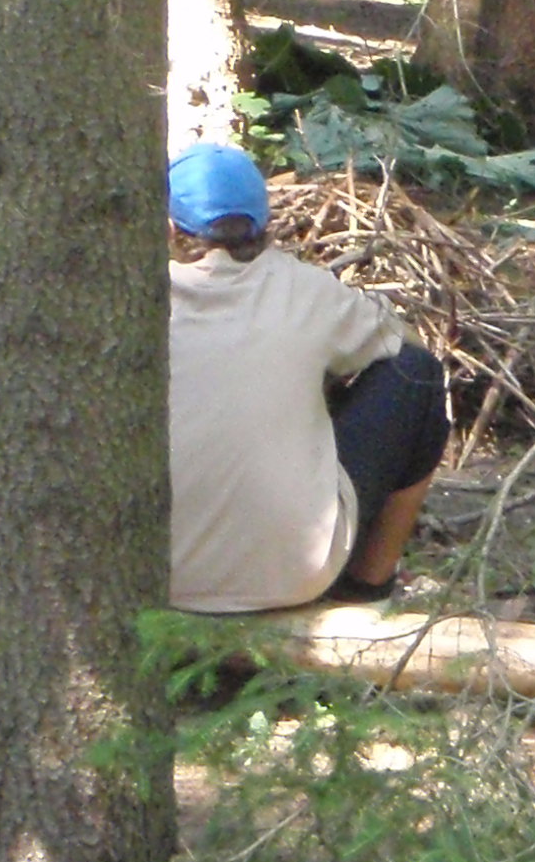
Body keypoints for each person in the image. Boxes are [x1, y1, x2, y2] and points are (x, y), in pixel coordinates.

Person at [165, 144, 450, 611]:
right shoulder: (306, 290)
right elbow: (407, 345)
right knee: (417, 375)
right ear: (266, 225)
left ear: (169, 229)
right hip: (295, 576)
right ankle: (369, 584)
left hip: (159, 573)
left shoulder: (134, 301)